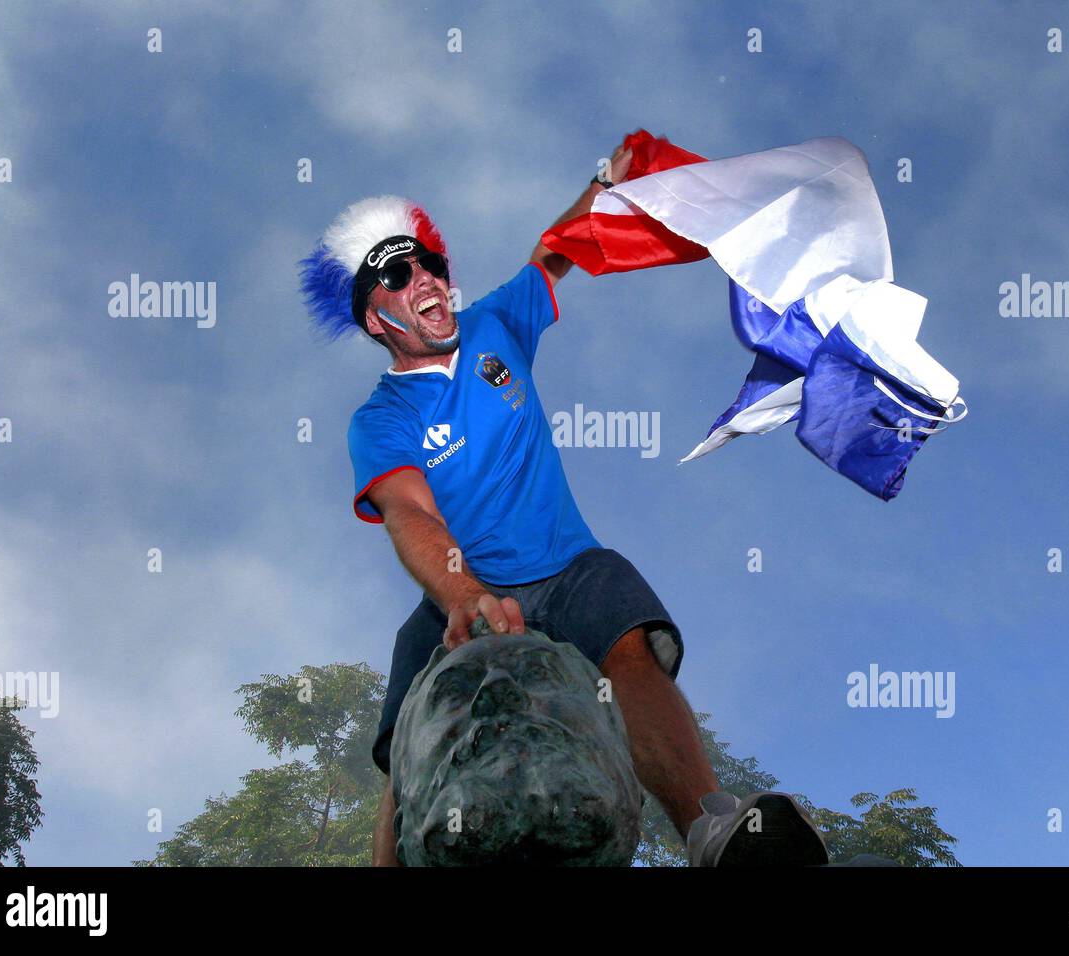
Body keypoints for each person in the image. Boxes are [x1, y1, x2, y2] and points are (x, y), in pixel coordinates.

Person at [299, 138, 829, 866]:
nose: (425, 276)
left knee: (631, 645)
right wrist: (462, 594)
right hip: (464, 589)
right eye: (397, 272)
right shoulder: (381, 419)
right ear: (373, 316)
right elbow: (409, 512)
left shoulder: (494, 326)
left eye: (430, 263)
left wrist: (606, 179)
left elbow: (559, 248)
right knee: (406, 745)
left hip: (565, 566)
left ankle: (711, 830)